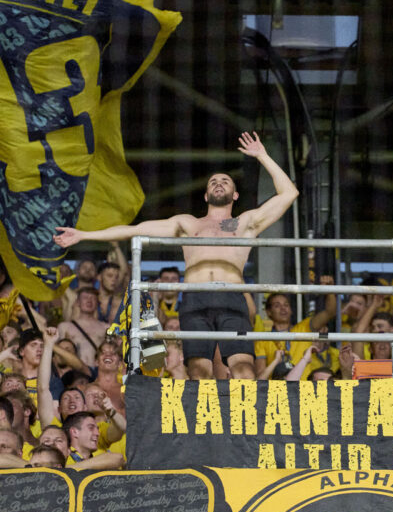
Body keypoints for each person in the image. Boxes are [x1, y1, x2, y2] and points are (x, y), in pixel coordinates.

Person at [55, 132, 299, 379]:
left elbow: (289, 193)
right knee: (198, 370)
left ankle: (244, 416)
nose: (218, 183)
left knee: (244, 368)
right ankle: (205, 418)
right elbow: (135, 230)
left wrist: (262, 156)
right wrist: (83, 235)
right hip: (195, 298)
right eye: (213, 181)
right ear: (206, 196)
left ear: (235, 195)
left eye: (225, 181)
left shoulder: (246, 222)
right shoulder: (188, 223)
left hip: (231, 296)